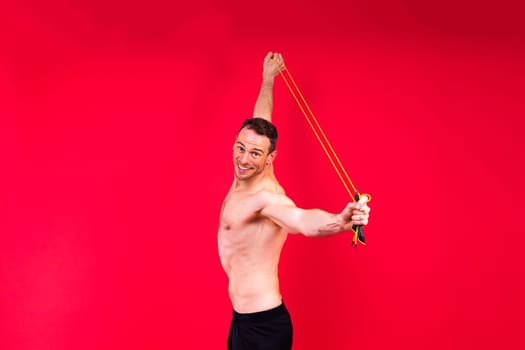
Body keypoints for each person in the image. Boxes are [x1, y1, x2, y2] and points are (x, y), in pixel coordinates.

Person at [218, 52, 371, 350]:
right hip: (240, 321)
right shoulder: (252, 153)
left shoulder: (268, 198)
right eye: (240, 148)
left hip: (263, 328)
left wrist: (340, 222)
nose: (243, 159)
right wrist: (268, 79)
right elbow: (262, 118)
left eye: (254, 154)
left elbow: (302, 220)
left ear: (270, 158)